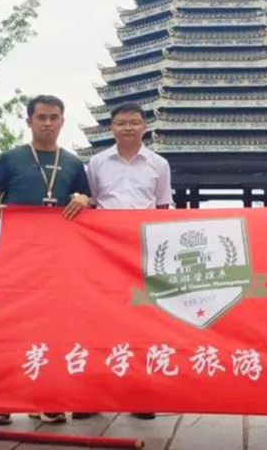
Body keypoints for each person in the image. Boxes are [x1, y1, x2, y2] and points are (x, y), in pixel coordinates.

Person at [0, 94, 92, 426]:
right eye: (41, 117)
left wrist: (85, 200)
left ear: (63, 121)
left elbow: (87, 201)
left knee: (53, 327)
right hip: (17, 257)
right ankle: (2, 400)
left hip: (57, 261)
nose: (48, 123)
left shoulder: (74, 163)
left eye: (54, 117)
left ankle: (46, 398)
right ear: (29, 121)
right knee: (10, 326)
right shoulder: (10, 159)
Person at [82, 101, 171, 420]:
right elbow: (90, 204)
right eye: (121, 123)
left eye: (134, 122)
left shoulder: (159, 164)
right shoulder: (96, 163)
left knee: (142, 321)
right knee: (99, 320)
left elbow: (163, 208)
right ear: (111, 128)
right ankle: (92, 396)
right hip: (104, 251)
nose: (128, 128)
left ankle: (141, 394)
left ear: (145, 127)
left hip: (142, 251)